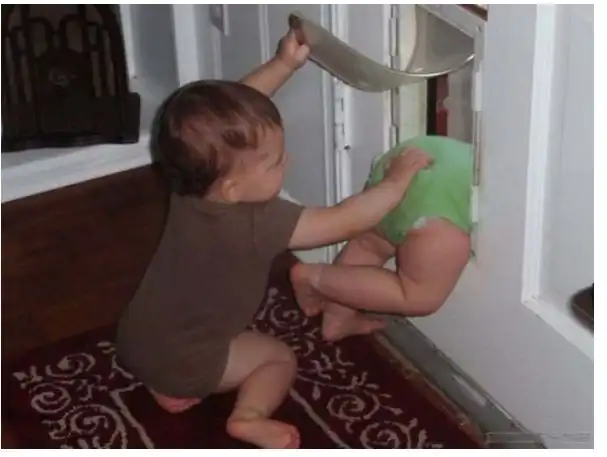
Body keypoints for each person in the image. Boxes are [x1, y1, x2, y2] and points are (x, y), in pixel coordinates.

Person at [115, 28, 432, 449]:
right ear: (233, 189)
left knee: (182, 342)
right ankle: (248, 417)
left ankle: (165, 382)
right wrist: (397, 181)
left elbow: (233, 118)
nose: (289, 161)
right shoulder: (256, 221)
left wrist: (283, 65)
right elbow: (344, 222)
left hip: (136, 338)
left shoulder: (191, 183)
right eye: (277, 162)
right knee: (279, 358)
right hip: (188, 359)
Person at [290, 135, 473, 342]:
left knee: (368, 246)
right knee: (417, 296)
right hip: (439, 206)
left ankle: (337, 320)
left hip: (413, 157)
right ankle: (316, 278)